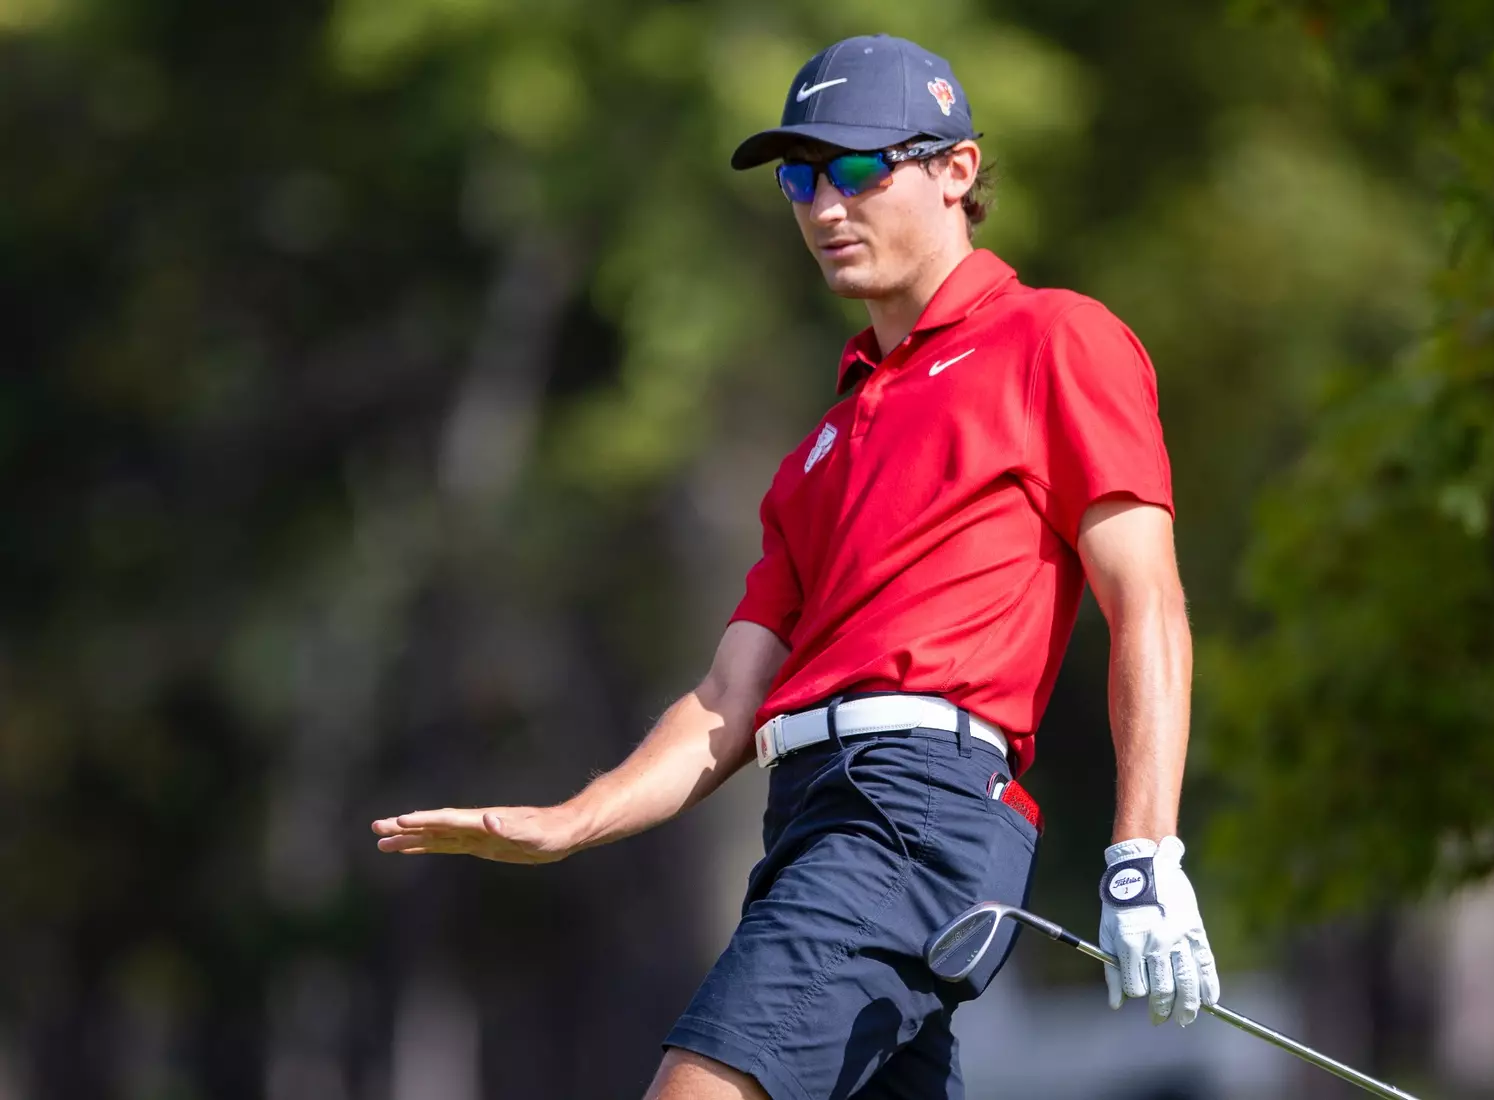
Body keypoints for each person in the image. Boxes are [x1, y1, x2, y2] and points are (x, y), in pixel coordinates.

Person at [371, 33, 1220, 1100]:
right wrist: (572, 819)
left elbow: (1146, 602)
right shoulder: (819, 450)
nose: (825, 203)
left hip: (913, 812)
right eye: (800, 176)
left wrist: (1143, 849)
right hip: (808, 814)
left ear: (956, 171)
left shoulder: (1056, 338)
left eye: (861, 168)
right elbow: (729, 696)